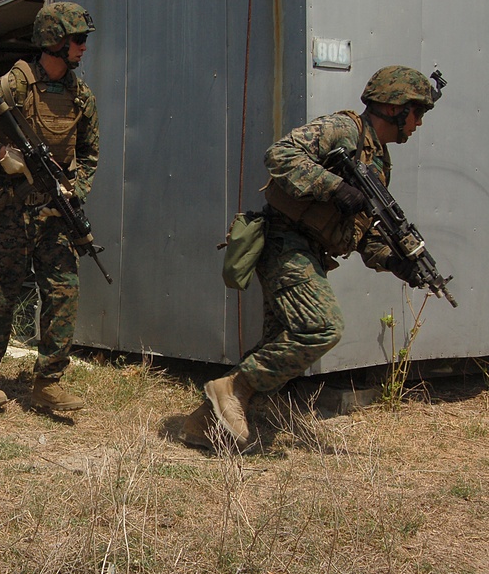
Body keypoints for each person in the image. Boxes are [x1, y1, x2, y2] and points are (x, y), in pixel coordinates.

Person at [182, 65, 439, 451]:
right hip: (284, 241)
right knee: (322, 327)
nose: (419, 123)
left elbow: (363, 231)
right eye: (418, 112)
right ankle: (232, 388)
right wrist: (334, 186)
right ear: (395, 107)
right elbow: (279, 155)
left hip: (311, 251)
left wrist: (395, 262)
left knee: (280, 345)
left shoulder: (379, 162)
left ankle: (203, 424)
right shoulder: (344, 129)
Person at [0, 1, 99, 413]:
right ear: (54, 41)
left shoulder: (80, 96)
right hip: (10, 211)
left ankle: (48, 382)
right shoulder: (11, 88)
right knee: (0, 296)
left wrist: (76, 191)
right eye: (78, 39)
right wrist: (0, 153)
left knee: (63, 292)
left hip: (55, 212)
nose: (83, 47)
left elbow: (89, 153)